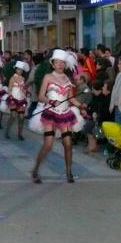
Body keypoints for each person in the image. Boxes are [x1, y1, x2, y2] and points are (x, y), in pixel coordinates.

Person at [29, 49, 85, 183]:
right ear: (53, 64)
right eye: (57, 62)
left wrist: (80, 106)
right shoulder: (48, 77)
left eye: (62, 63)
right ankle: (35, 170)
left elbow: (71, 97)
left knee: (68, 144)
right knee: (48, 145)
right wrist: (51, 101)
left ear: (65, 64)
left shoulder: (67, 79)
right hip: (50, 113)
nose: (60, 65)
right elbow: (41, 96)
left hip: (65, 114)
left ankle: (69, 172)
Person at [5, 60, 30, 140]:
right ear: (15, 69)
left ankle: (20, 134)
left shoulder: (23, 78)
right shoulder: (12, 78)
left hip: (22, 99)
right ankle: (7, 131)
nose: (20, 71)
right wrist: (11, 97)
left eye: (21, 70)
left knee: (21, 118)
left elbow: (24, 89)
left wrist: (26, 92)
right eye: (18, 69)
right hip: (13, 99)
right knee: (12, 116)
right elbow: (9, 89)